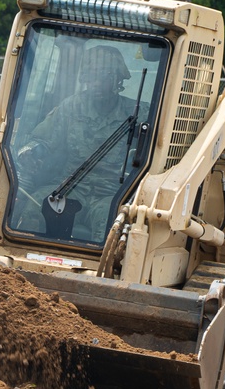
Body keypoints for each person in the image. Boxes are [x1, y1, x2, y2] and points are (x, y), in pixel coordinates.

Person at [12, 43, 135, 242]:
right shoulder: (72, 106)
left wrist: (128, 183)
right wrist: (31, 151)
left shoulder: (137, 112)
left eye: (102, 77)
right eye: (90, 76)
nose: (95, 83)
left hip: (111, 195)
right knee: (35, 206)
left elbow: (150, 156)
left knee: (113, 224)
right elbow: (42, 139)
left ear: (117, 78)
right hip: (70, 188)